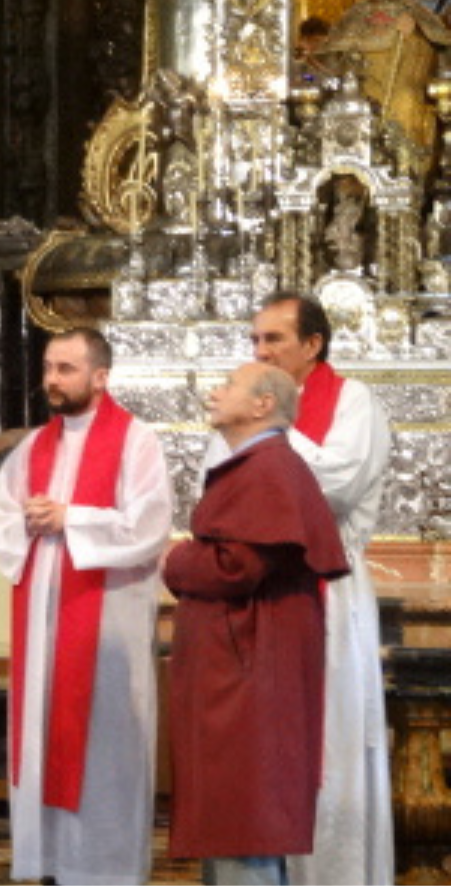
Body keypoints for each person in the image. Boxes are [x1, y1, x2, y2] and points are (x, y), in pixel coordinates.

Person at [206, 291, 395, 885]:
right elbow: (217, 496)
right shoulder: (244, 410)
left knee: (326, 752)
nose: (260, 350)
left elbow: (333, 485)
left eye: (274, 340)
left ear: (313, 345)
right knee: (262, 753)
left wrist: (266, 429)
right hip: (253, 597)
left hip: (325, 592)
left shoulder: (352, 402)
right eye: (255, 340)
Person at [0, 328, 172, 884]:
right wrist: (30, 520)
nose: (51, 379)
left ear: (100, 376)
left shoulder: (136, 441)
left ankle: (107, 866)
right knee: (44, 732)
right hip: (44, 616)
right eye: (48, 367)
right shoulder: (33, 447)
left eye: (66, 368)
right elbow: (3, 515)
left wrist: (73, 518)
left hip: (106, 617)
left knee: (106, 744)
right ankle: (49, 861)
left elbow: (150, 523)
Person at [169, 363, 349, 885]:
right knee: (235, 824)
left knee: (243, 821)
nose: (214, 392)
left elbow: (237, 565)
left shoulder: (268, 467)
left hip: (247, 679)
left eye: (229, 385)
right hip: (240, 669)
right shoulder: (262, 465)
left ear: (262, 404)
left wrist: (174, 562)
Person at [319, 0, 451, 164]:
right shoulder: (352, 16)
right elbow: (330, 59)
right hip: (360, 92)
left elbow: (441, 51)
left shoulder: (414, 11)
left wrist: (416, 34)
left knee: (406, 100)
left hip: (403, 91)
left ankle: (406, 171)